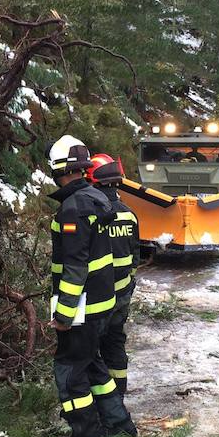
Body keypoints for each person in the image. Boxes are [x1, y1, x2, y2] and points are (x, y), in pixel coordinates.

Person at [46, 135, 136, 437]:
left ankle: (84, 435)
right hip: (102, 303)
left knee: (69, 371)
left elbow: (75, 266)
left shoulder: (74, 208)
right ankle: (119, 423)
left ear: (59, 169)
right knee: (94, 365)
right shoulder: (96, 198)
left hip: (82, 308)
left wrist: (64, 313)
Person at [85, 154, 139, 397]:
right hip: (123, 293)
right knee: (115, 343)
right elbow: (135, 256)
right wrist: (128, 284)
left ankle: (100, 400)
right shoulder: (129, 214)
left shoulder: (91, 214)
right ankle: (118, 394)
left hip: (98, 297)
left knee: (91, 349)